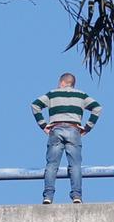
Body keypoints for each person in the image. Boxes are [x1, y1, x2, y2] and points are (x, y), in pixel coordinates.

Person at [30, 72, 101, 204]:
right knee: (75, 165)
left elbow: (35, 105)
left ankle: (48, 196)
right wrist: (87, 127)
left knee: (52, 165)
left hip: (56, 129)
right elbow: (97, 107)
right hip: (74, 129)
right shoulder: (81, 95)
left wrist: (43, 125)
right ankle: (76, 196)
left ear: (62, 82)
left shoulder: (53, 94)